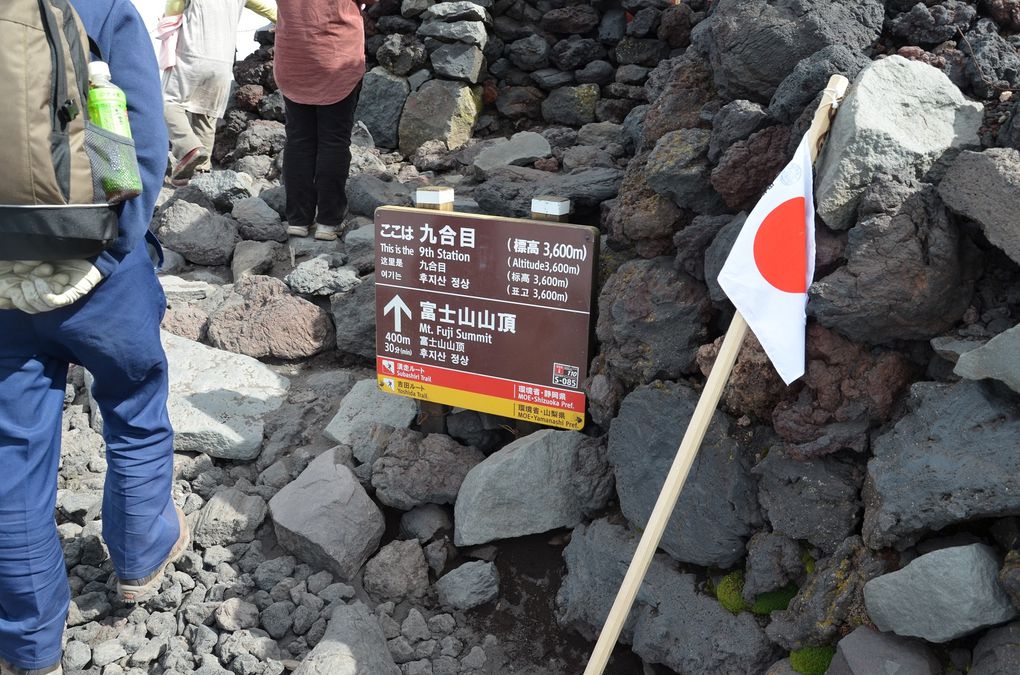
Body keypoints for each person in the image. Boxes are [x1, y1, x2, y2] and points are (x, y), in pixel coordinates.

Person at [0, 1, 187, 672]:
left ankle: (27, 644)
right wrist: (114, 254)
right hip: (96, 264)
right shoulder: (100, 6)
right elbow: (135, 148)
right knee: (135, 401)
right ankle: (139, 557)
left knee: (11, 454)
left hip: (1, 275)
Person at [274, 0, 369, 241]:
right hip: (336, 55)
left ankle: (298, 220)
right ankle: (328, 221)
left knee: (298, 139)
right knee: (334, 141)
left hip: (293, 58)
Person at [158, 0, 277, 185]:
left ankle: (188, 149)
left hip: (191, 57)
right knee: (206, 114)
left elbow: (173, 11)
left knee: (167, 103)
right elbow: (267, 9)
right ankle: (200, 175)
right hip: (222, 62)